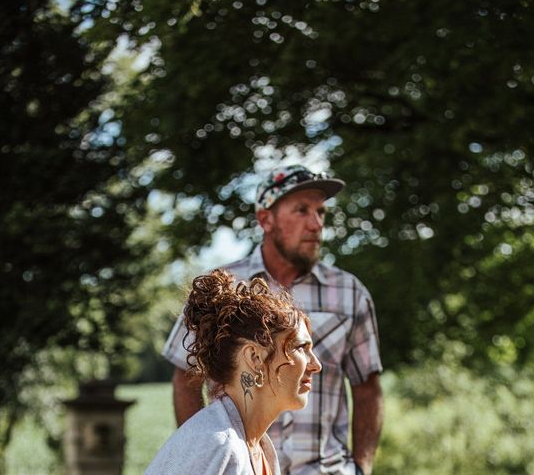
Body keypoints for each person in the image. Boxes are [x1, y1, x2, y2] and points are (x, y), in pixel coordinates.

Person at [163, 165, 384, 474]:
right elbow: (186, 377)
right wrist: (206, 456)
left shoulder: (350, 293)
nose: (316, 223)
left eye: (321, 212)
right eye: (302, 210)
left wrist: (362, 468)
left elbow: (367, 388)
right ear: (266, 219)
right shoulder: (222, 290)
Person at [146, 269, 321, 474]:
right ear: (254, 358)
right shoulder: (216, 445)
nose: (316, 365)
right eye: (300, 347)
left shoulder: (258, 446)